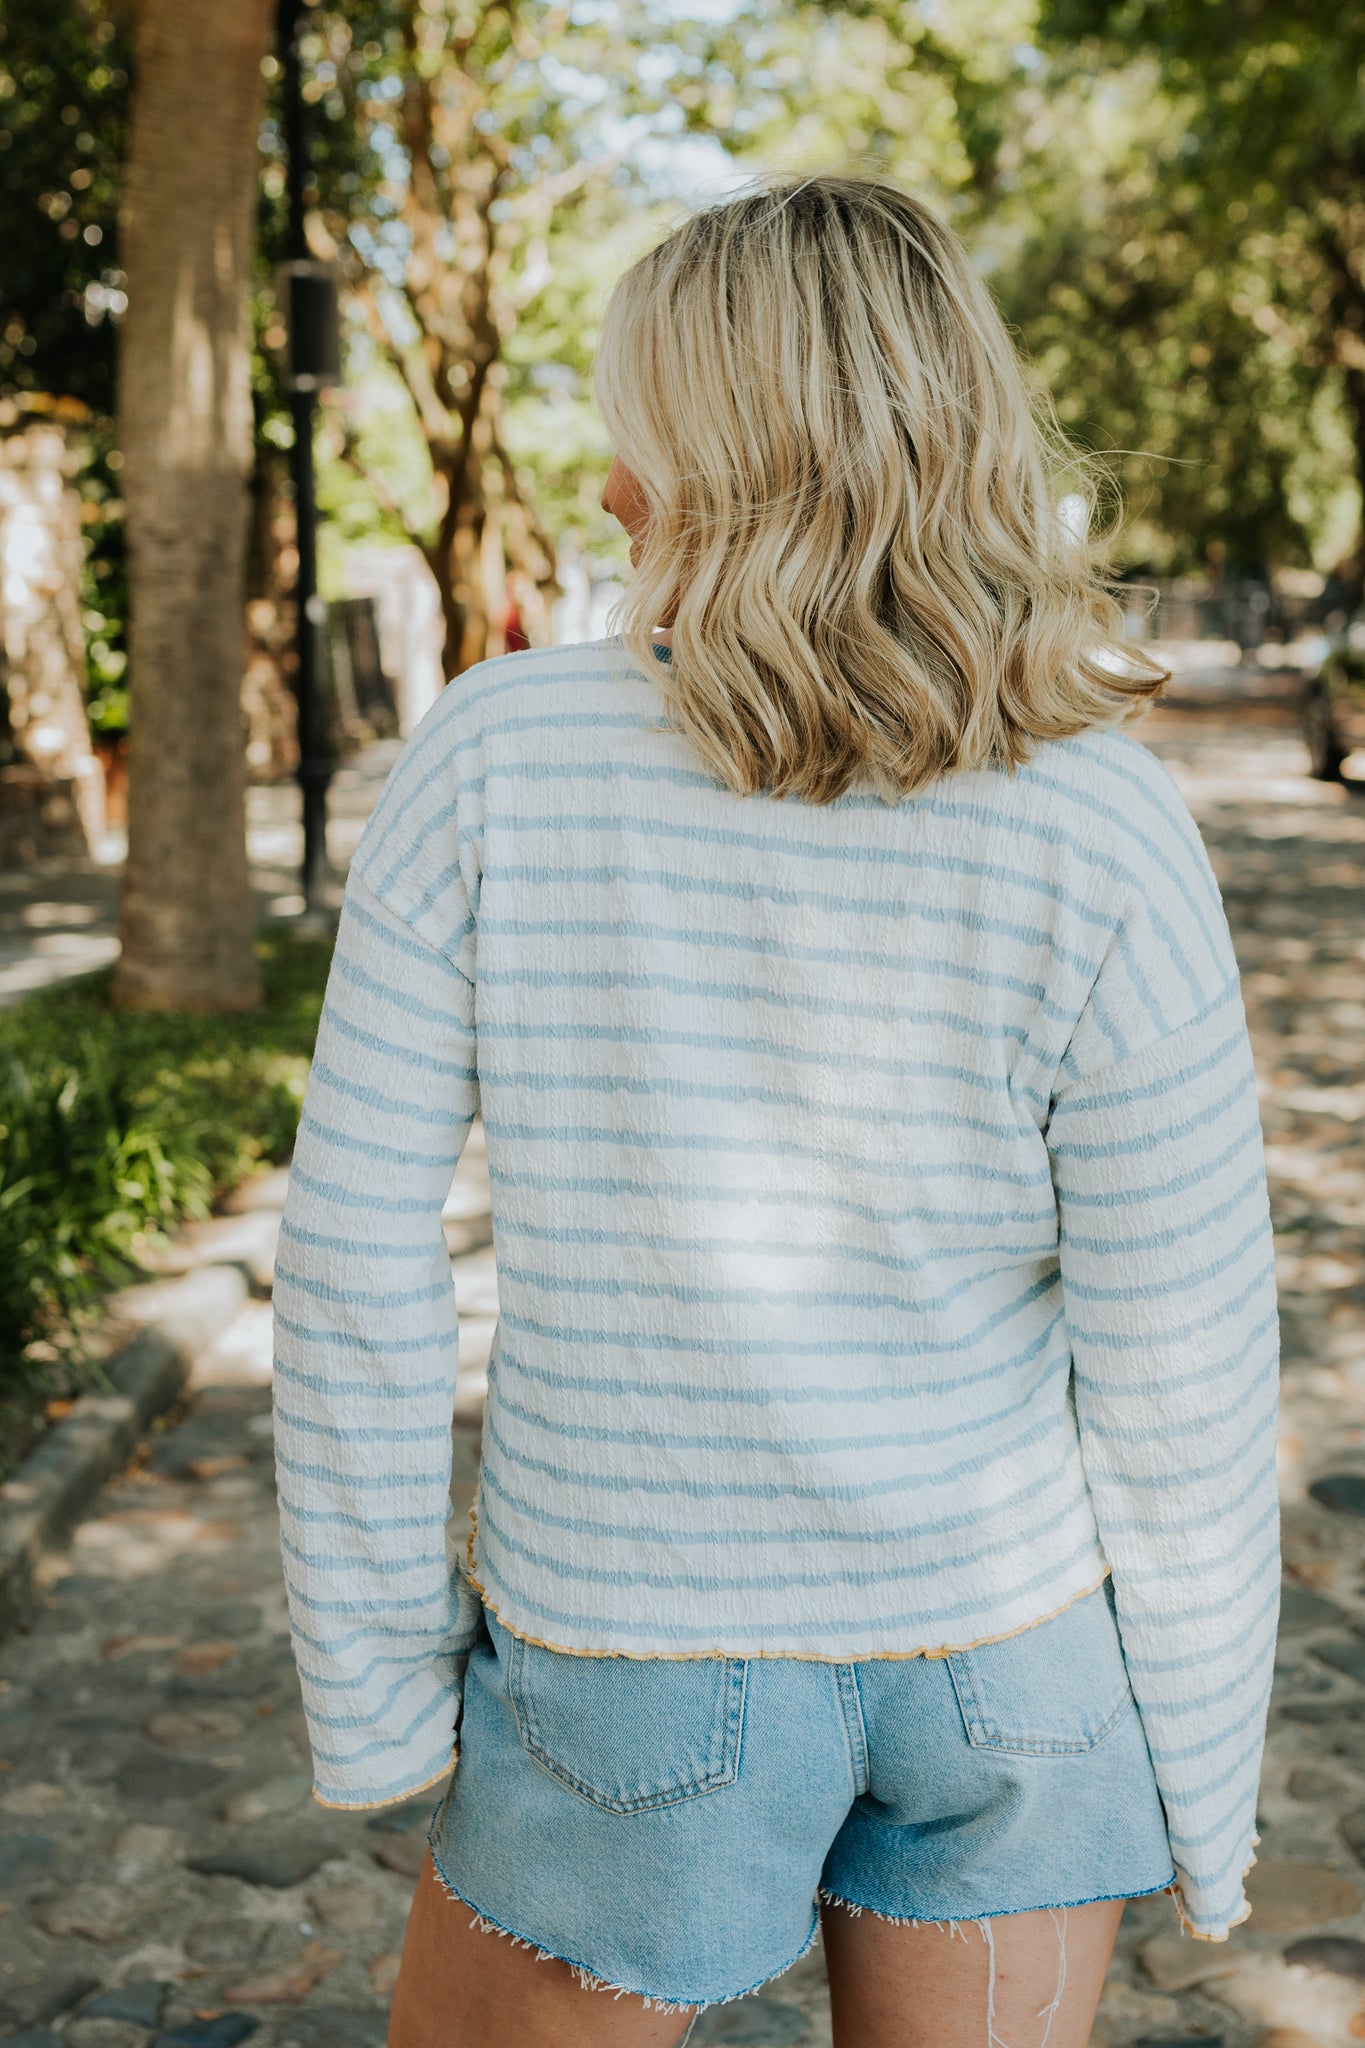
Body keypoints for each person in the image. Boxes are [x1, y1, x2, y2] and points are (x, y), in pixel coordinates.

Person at [274, 176, 1279, 2048]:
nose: (605, 488)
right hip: (1012, 1671)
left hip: (634, 1656)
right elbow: (1188, 1361)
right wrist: (1203, 1790)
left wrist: (379, 1687)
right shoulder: (1105, 818)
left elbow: (350, 1262)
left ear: (724, 456)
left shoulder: (497, 755)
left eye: (635, 433)